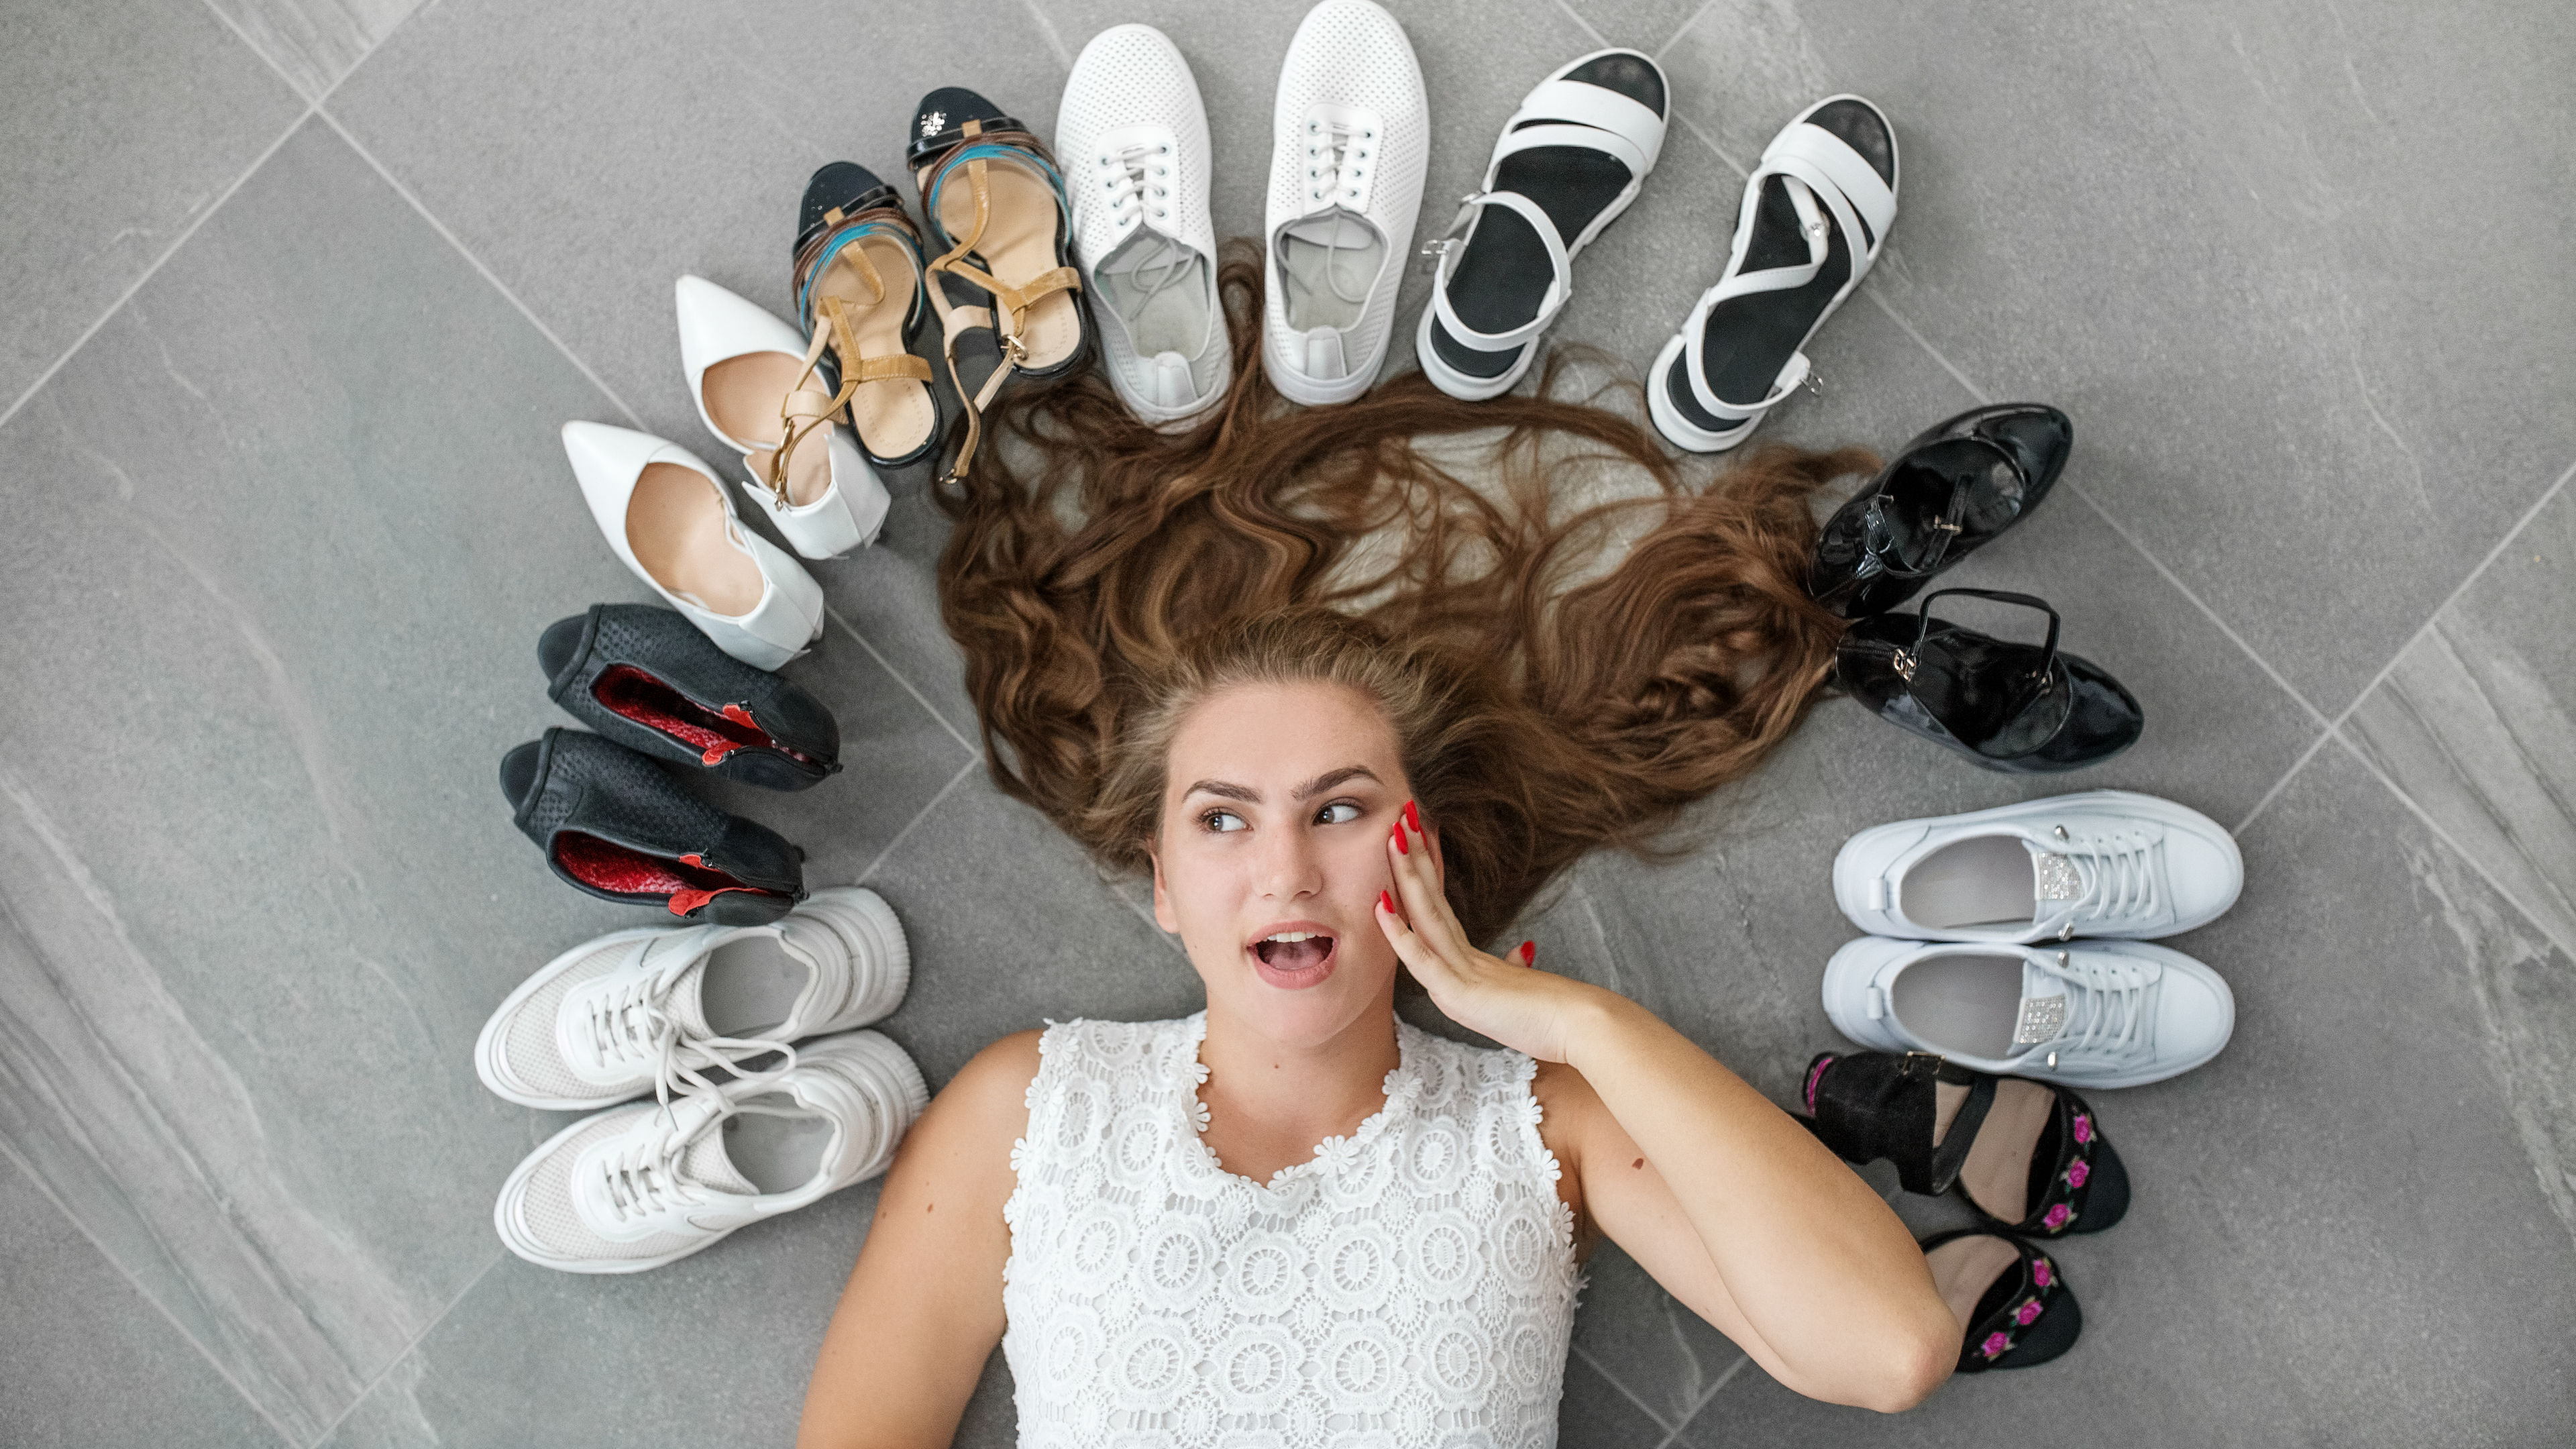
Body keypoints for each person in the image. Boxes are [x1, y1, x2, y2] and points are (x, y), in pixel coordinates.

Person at [794, 253, 1956, 1446]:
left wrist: (1581, 1025)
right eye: (1223, 819)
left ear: (1423, 854)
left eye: (1339, 809)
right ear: (1162, 884)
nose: (1286, 869)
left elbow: (1890, 1347)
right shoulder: (1029, 1111)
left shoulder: (1547, 1128)